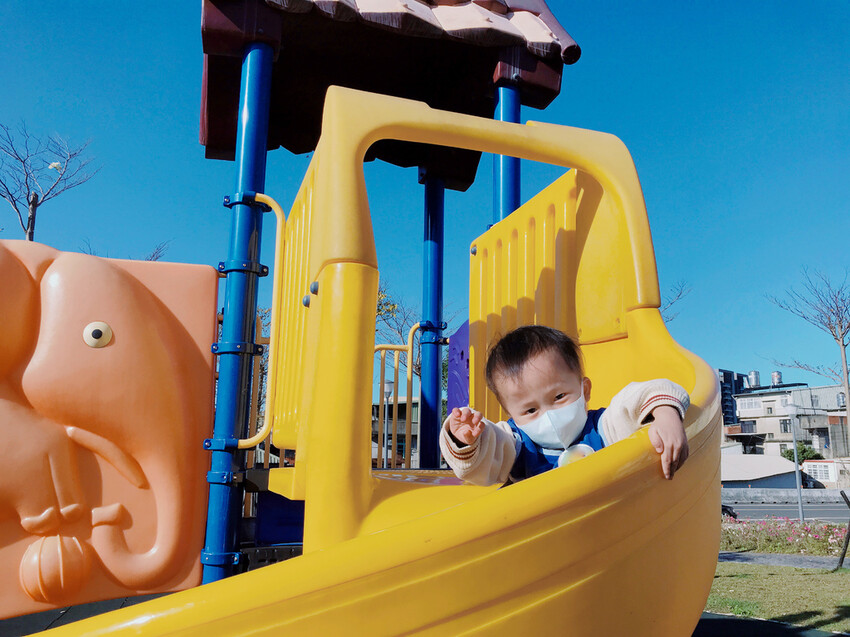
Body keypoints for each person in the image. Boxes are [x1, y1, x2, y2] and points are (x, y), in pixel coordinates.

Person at [440, 325, 690, 486]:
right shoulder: (517, 445)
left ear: (585, 390)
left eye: (559, 397)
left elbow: (641, 395)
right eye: (530, 410)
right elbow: (488, 455)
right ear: (511, 415)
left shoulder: (604, 428)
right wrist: (466, 440)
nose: (549, 415)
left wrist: (666, 415)